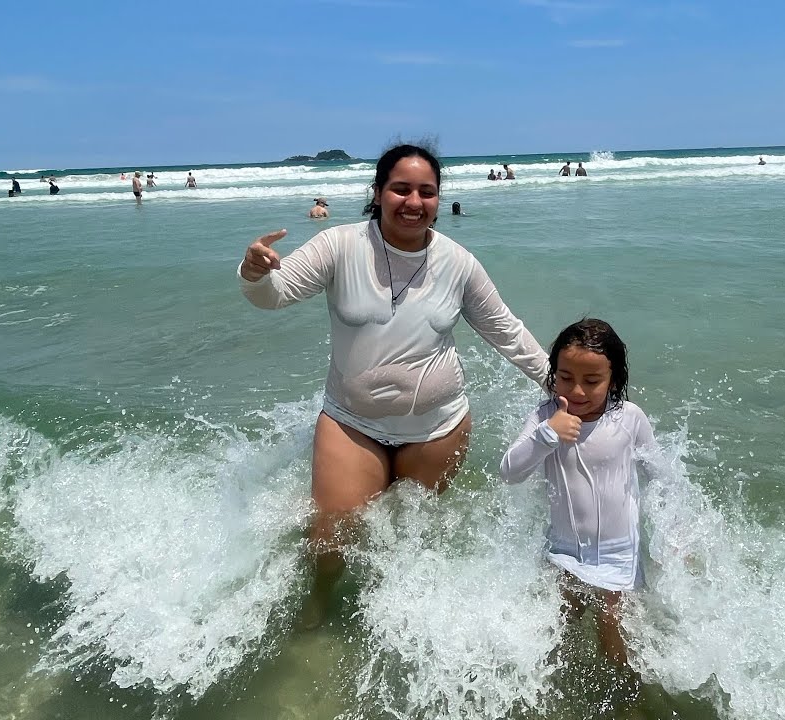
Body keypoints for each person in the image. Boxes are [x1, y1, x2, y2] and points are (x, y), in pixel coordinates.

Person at [238, 143, 549, 627]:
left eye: (426, 192)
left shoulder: (458, 263)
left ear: (438, 200)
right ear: (378, 192)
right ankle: (318, 603)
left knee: (407, 537)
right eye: (401, 188)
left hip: (437, 429)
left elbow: (505, 331)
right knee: (331, 534)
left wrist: (560, 382)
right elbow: (273, 296)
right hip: (351, 423)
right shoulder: (340, 245)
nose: (413, 201)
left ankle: (391, 622)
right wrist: (254, 274)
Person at [500, 318, 657, 671]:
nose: (577, 391)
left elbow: (660, 478)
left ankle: (625, 700)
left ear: (613, 380)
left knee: (613, 628)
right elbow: (510, 471)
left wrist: (676, 532)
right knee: (560, 626)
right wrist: (547, 434)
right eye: (566, 378)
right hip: (564, 550)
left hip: (619, 553)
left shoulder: (629, 419)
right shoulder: (545, 417)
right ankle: (553, 692)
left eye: (592, 381)